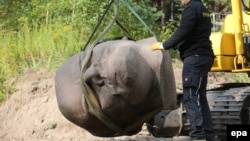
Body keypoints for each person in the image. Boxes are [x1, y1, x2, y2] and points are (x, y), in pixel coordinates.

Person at [151, 0, 216, 141]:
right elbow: (194, 34)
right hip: (204, 56)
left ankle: (198, 136)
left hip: (195, 58)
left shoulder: (192, 8)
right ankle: (209, 135)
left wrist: (165, 45)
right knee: (200, 97)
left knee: (191, 96)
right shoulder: (203, 8)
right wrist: (177, 45)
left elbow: (184, 31)